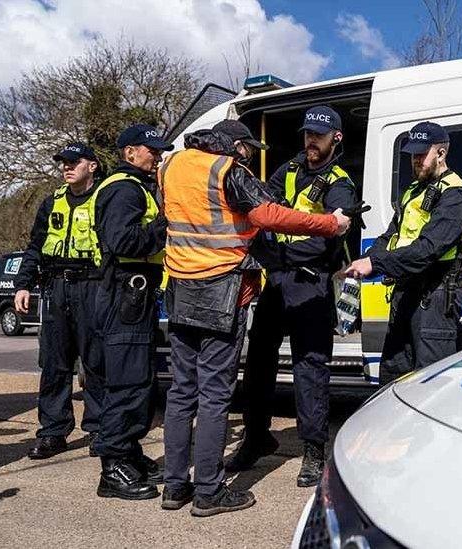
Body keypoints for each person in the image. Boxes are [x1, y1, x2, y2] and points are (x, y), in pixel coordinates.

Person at [161, 119, 349, 515]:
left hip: (179, 289)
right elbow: (267, 215)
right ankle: (209, 491)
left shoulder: (171, 166)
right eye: (246, 149)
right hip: (219, 292)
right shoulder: (227, 170)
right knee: (214, 394)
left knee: (181, 391)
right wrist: (329, 223)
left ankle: (175, 487)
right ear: (232, 144)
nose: (247, 156)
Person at [225, 106, 357, 488]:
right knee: (259, 361)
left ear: (336, 138)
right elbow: (264, 209)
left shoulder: (340, 183)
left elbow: (326, 242)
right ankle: (255, 438)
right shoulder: (291, 169)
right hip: (278, 280)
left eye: (318, 135)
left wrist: (275, 254)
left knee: (309, 367)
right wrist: (269, 252)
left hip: (310, 283)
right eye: (307, 134)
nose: (310, 140)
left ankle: (314, 449)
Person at [346, 122, 462, 385]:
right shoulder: (412, 192)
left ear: (441, 154)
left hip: (435, 296)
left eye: (421, 154)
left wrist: (376, 262)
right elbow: (390, 236)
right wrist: (373, 255)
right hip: (406, 293)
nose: (415, 161)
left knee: (430, 383)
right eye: (412, 155)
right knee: (393, 377)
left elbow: (427, 250)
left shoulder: (457, 195)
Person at [90, 124, 171, 500]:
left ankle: (128, 453)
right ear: (129, 153)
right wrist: (162, 226)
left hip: (130, 294)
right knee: (128, 382)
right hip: (125, 293)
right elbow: (123, 240)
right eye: (150, 150)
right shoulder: (125, 189)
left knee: (137, 379)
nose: (156, 156)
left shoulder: (133, 186)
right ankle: (113, 467)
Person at [15, 142, 106, 460]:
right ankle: (53, 432)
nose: (67, 167)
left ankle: (98, 430)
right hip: (55, 287)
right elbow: (35, 245)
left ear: (92, 166)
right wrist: (23, 284)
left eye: (74, 162)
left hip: (91, 286)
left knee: (95, 362)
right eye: (63, 163)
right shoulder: (51, 201)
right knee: (53, 364)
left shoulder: (103, 199)